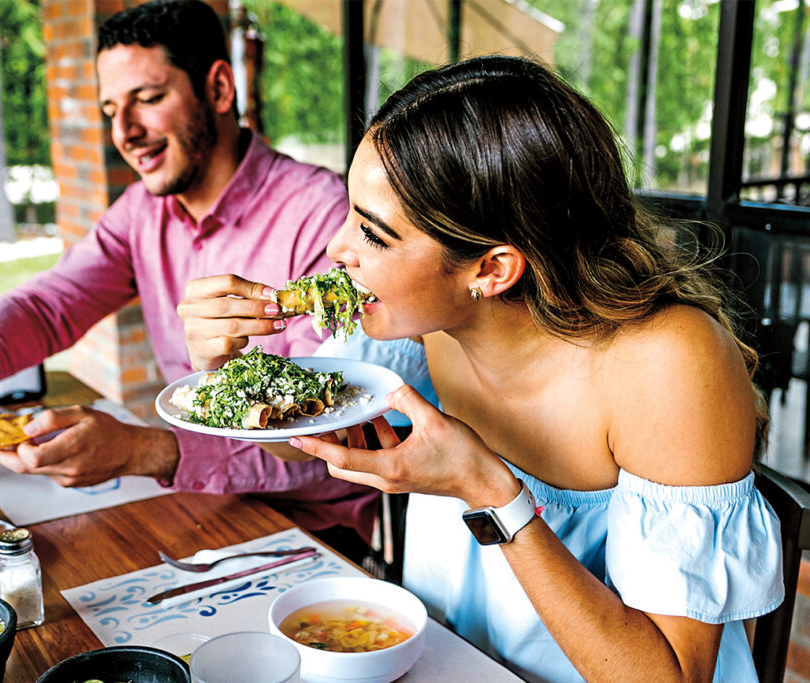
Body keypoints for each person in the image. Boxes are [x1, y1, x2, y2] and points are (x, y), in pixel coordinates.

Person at [184, 56, 784, 681]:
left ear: (493, 269)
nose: (337, 252)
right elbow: (310, 445)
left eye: (374, 235)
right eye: (350, 214)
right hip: (450, 660)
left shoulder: (669, 363)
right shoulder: (428, 324)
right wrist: (227, 374)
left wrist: (490, 491)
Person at [0, 0, 412, 555]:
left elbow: (331, 436)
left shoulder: (322, 216)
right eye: (110, 109)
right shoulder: (140, 211)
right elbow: (49, 305)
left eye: (148, 97)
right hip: (192, 503)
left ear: (219, 88)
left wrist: (143, 448)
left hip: (314, 535)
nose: (123, 131)